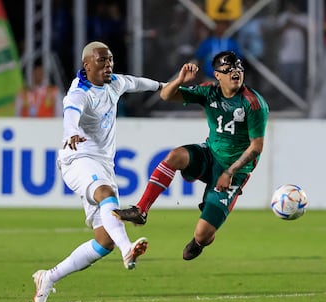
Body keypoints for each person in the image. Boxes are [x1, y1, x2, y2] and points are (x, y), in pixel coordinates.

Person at [32, 41, 165, 302]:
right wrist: (70, 132)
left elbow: (137, 82)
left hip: (103, 165)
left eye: (111, 60)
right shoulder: (79, 93)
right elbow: (71, 113)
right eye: (102, 61)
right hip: (77, 158)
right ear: (87, 65)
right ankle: (127, 249)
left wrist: (164, 86)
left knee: (104, 242)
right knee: (106, 194)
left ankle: (48, 277)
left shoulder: (114, 82)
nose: (108, 65)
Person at [113, 51, 269, 261]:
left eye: (239, 69)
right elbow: (166, 95)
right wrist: (179, 80)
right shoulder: (209, 92)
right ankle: (141, 211)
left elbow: (256, 147)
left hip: (235, 170)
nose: (235, 73)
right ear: (217, 75)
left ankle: (201, 241)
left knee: (203, 234)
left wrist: (230, 172)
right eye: (229, 69)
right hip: (210, 154)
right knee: (174, 156)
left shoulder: (253, 103)